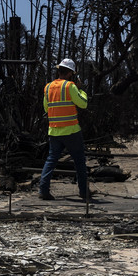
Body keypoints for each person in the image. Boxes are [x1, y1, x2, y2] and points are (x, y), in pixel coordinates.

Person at [38, 58, 91, 201]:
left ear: (59, 70)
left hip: (54, 131)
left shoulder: (48, 87)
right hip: (72, 131)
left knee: (51, 160)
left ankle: (43, 190)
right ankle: (84, 192)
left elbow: (46, 108)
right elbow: (83, 104)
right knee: (79, 161)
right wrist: (82, 90)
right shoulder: (70, 86)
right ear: (70, 73)